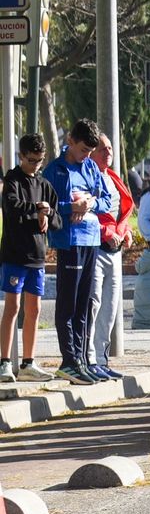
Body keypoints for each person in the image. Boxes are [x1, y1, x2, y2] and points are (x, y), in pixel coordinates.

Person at [43, 120, 115, 385]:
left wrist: (90, 203)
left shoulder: (91, 168)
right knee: (69, 303)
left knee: (85, 303)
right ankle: (69, 360)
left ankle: (83, 358)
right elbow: (46, 205)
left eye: (89, 151)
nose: (86, 155)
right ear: (70, 141)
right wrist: (70, 207)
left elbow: (107, 200)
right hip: (69, 242)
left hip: (91, 240)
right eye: (83, 149)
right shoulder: (56, 170)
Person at [0, 134, 61, 382]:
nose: (36, 165)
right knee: (12, 307)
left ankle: (28, 362)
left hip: (37, 255)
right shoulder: (12, 179)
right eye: (32, 160)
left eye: (40, 160)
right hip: (15, 254)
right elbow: (12, 207)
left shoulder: (44, 184)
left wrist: (47, 213)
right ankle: (4, 362)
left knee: (33, 309)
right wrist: (37, 209)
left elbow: (57, 218)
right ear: (21, 156)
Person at [86, 134, 134, 380]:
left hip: (115, 252)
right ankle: (88, 359)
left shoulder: (113, 177)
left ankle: (102, 360)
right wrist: (106, 232)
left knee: (110, 309)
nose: (108, 152)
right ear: (91, 153)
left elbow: (121, 211)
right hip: (96, 249)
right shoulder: (88, 177)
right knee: (92, 304)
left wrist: (124, 232)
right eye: (102, 149)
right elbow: (88, 211)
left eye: (110, 148)